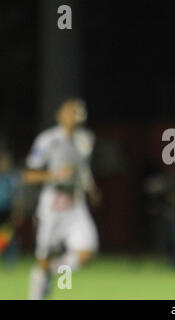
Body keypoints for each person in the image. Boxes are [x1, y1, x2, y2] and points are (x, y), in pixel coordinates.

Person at [25, 98, 101, 300]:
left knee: (86, 252)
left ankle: (49, 271)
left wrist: (91, 188)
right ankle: (38, 292)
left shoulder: (85, 139)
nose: (75, 115)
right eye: (71, 111)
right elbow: (29, 174)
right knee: (44, 257)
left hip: (76, 203)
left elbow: (83, 168)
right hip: (53, 203)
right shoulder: (47, 140)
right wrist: (55, 175)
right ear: (60, 115)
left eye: (78, 112)